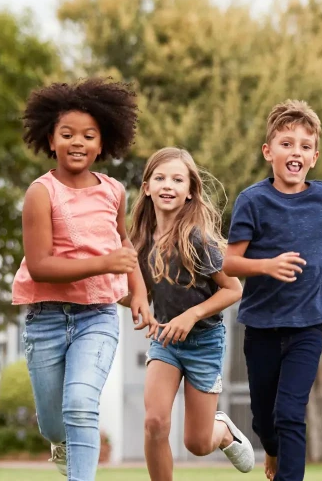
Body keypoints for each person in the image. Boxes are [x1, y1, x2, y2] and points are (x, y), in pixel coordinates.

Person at [12, 78, 151, 480]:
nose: (78, 142)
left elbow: (124, 247)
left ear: (103, 142)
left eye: (89, 135)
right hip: (47, 319)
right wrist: (104, 264)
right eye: (67, 134)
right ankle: (61, 446)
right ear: (50, 139)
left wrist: (138, 292)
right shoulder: (41, 193)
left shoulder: (113, 191)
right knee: (55, 425)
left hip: (98, 317)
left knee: (80, 404)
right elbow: (40, 266)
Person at [222, 100, 322, 481]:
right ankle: (271, 451)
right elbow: (229, 263)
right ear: (269, 152)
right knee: (266, 421)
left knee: (290, 414)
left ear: (314, 157)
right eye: (286, 143)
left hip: (309, 325)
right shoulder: (253, 200)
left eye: (303, 146)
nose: (294, 151)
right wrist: (267, 265)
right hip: (263, 326)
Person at [130, 147, 255, 479]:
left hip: (204, 343)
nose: (167, 185)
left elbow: (234, 289)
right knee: (154, 422)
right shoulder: (139, 242)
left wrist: (191, 316)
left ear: (189, 192)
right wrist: (133, 303)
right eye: (159, 178)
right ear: (146, 187)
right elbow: (136, 293)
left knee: (198, 443)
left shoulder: (199, 239)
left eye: (177, 179)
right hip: (165, 342)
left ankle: (223, 431)